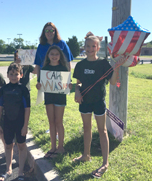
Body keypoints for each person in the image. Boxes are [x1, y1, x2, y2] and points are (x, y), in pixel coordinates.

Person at [72, 32, 127, 178]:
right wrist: (77, 91)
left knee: (102, 131)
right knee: (86, 128)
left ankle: (105, 163)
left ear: (98, 48)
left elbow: (114, 82)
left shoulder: (103, 63)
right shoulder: (80, 65)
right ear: (84, 47)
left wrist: (116, 67)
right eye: (88, 46)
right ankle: (86, 155)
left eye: (93, 46)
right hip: (84, 102)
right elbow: (77, 84)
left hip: (98, 102)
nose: (90, 49)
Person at [0, 63, 31, 181]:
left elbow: (27, 109)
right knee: (8, 145)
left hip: (20, 122)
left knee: (21, 145)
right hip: (8, 122)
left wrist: (25, 126)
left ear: (21, 75)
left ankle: (20, 171)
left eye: (16, 74)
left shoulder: (23, 89)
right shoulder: (4, 89)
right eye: (11, 74)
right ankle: (8, 169)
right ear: (7, 75)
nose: (14, 76)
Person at [36, 46, 72, 159]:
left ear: (60, 56)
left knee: (58, 122)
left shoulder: (64, 69)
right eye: (52, 54)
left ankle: (61, 147)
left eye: (57, 54)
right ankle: (53, 147)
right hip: (49, 98)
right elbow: (40, 84)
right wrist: (39, 86)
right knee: (51, 122)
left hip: (60, 98)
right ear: (48, 56)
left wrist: (69, 86)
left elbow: (67, 84)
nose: (54, 56)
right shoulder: (44, 68)